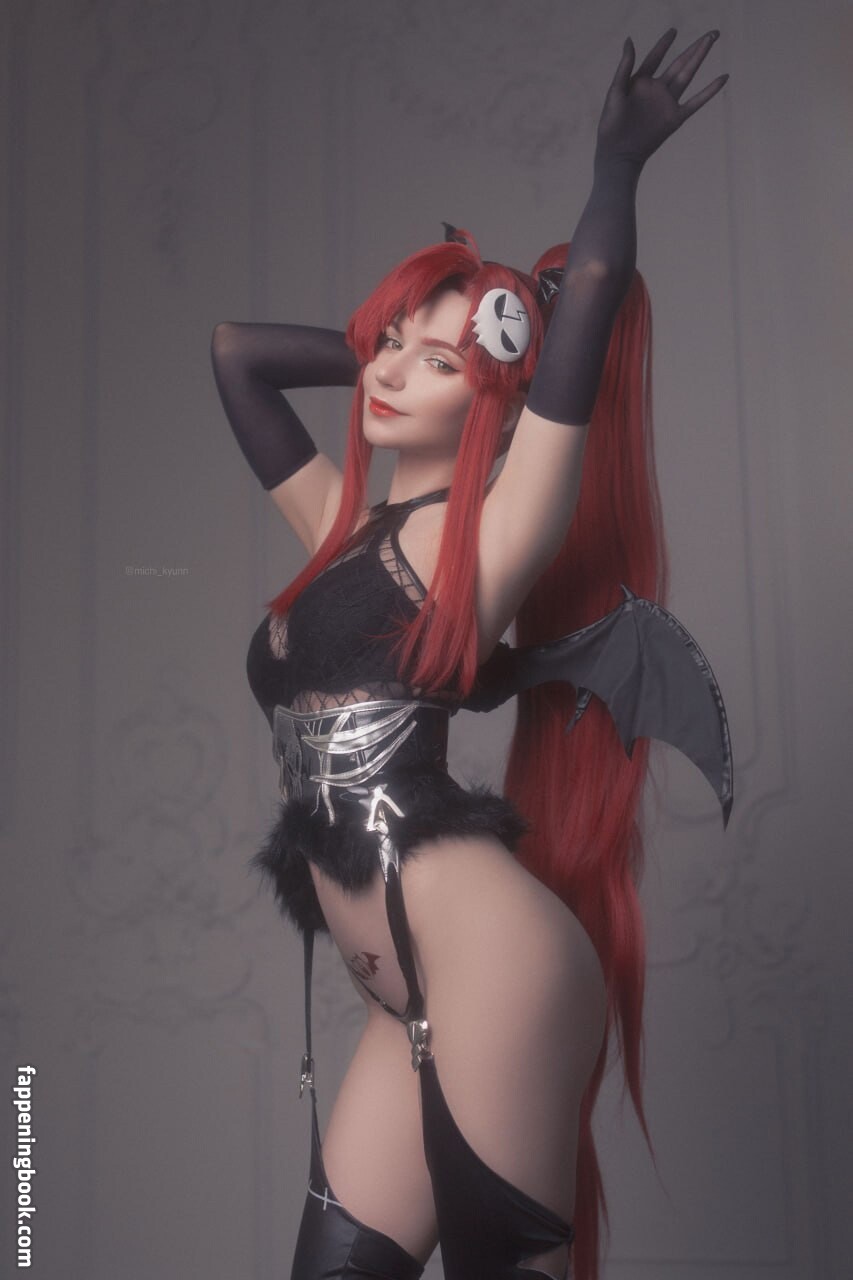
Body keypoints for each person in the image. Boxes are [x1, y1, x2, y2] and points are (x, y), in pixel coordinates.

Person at [210, 27, 731, 1280]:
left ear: (492, 395)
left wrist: (614, 172)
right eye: (388, 343)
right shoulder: (342, 526)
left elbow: (588, 298)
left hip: (493, 964)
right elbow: (237, 356)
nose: (391, 372)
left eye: (431, 360)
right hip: (403, 994)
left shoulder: (487, 536)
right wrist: (397, 337)